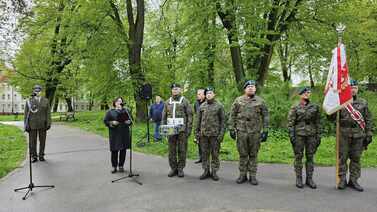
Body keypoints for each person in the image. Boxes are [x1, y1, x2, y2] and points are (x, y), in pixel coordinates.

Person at [334, 80, 373, 191]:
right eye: (351, 87)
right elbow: (331, 118)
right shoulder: (341, 102)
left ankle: (353, 180)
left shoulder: (363, 102)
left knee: (356, 158)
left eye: (355, 87)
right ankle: (342, 179)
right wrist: (332, 108)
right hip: (344, 134)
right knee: (343, 157)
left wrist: (369, 132)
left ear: (357, 89)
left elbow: (368, 119)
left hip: (358, 134)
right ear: (347, 89)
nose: (353, 89)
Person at [228, 80, 269, 185]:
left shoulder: (261, 101)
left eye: (253, 86)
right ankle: (242, 175)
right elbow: (232, 115)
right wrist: (231, 128)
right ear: (245, 89)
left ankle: (252, 176)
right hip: (241, 131)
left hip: (255, 132)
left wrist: (265, 130)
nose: (251, 88)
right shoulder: (238, 100)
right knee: (242, 154)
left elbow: (266, 116)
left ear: (255, 89)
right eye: (248, 86)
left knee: (253, 154)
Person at [288, 87, 321, 189]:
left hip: (311, 135)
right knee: (298, 157)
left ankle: (309, 179)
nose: (307, 94)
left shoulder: (315, 107)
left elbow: (318, 122)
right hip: (299, 135)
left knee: (310, 157)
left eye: (308, 93)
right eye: (304, 93)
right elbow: (291, 123)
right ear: (300, 94)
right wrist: (291, 135)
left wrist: (318, 135)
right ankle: (299, 178)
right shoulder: (295, 107)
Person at [162, 83, 193, 178]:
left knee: (182, 150)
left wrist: (188, 130)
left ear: (180, 90)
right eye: (173, 89)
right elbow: (164, 116)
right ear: (171, 90)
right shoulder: (167, 102)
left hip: (182, 130)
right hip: (170, 129)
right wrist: (164, 130)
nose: (175, 90)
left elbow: (190, 116)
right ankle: (173, 168)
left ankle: (180, 168)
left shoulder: (185, 101)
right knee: (171, 150)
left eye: (177, 89)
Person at [195, 87, 225, 181]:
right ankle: (206, 171)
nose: (209, 94)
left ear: (214, 94)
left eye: (210, 93)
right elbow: (198, 121)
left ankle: (214, 172)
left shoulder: (219, 106)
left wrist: (221, 135)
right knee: (204, 154)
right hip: (203, 135)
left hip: (214, 135)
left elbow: (223, 122)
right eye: (207, 93)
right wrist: (196, 133)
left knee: (215, 154)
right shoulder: (202, 106)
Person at [104, 97, 132, 173]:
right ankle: (114, 166)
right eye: (118, 101)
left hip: (124, 133)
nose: (120, 102)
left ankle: (121, 166)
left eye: (121, 101)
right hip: (115, 133)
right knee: (114, 150)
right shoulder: (110, 112)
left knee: (123, 150)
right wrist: (112, 123)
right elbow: (105, 121)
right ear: (115, 103)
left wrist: (128, 122)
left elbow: (131, 121)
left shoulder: (126, 110)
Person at [24, 85, 51, 163]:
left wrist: (49, 123)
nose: (37, 92)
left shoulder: (46, 101)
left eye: (39, 90)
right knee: (32, 141)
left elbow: (48, 113)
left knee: (42, 141)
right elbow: (26, 114)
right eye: (35, 90)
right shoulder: (29, 101)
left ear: (41, 92)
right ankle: (34, 156)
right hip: (32, 124)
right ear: (33, 91)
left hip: (43, 124)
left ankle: (41, 155)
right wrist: (26, 125)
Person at [194, 89, 206, 164]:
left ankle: (206, 158)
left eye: (199, 94)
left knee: (205, 143)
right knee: (199, 142)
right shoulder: (196, 103)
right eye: (197, 94)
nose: (197, 95)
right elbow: (196, 113)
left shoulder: (207, 102)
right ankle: (200, 157)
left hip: (206, 125)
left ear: (203, 95)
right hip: (198, 125)